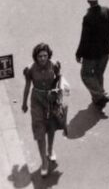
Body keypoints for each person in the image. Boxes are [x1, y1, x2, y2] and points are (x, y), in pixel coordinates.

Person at [22, 43, 66, 177]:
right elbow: (27, 86)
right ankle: (44, 162)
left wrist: (59, 95)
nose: (42, 59)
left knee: (51, 127)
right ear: (35, 56)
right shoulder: (30, 69)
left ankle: (50, 150)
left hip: (51, 100)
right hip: (37, 101)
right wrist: (24, 103)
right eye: (40, 56)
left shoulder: (54, 65)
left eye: (45, 56)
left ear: (49, 55)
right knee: (39, 131)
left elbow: (59, 79)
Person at [76, 0, 109, 110]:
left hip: (91, 54)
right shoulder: (107, 11)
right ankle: (98, 99)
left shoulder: (88, 17)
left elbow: (84, 38)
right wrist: (107, 47)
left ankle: (100, 94)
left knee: (85, 75)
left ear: (87, 0)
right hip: (104, 51)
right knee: (98, 74)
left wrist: (79, 53)